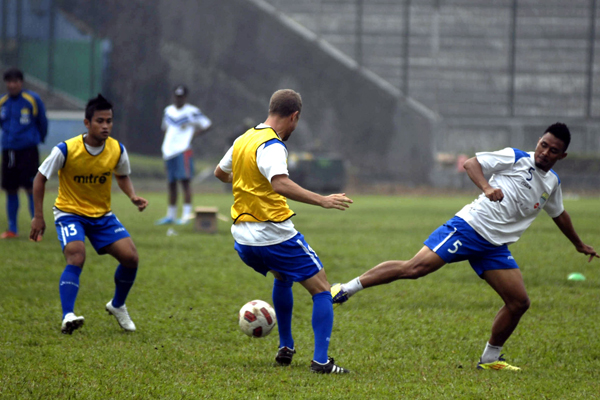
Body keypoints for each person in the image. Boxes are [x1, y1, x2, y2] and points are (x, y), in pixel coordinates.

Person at [332, 122, 598, 371]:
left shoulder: (552, 183)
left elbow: (559, 214)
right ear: (538, 142)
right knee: (414, 268)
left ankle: (490, 358)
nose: (545, 153)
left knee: (518, 303)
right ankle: (345, 289)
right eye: (543, 145)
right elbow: (472, 164)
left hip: (494, 246)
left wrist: (578, 244)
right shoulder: (516, 157)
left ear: (561, 156)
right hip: (469, 228)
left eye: (553, 151)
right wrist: (486, 187)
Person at [214, 89, 353, 374]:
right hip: (272, 234)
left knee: (282, 275)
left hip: (242, 238)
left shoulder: (244, 139)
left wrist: (247, 181)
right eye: (296, 122)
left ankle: (286, 346)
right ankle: (321, 362)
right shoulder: (273, 145)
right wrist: (322, 199)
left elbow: (220, 172)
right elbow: (280, 184)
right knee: (322, 289)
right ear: (294, 116)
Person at [30, 94, 148, 335]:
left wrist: (132, 196)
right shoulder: (66, 149)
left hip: (102, 215)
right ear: (87, 123)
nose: (105, 126)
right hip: (69, 212)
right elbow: (40, 178)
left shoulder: (116, 149)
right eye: (100, 121)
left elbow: (122, 175)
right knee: (76, 255)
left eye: (109, 121)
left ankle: (117, 305)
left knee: (131, 258)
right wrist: (38, 216)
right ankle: (68, 315)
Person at [1, 68, 48, 239]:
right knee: (11, 190)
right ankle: (12, 229)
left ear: (21, 82)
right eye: (9, 81)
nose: (12, 85)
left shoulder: (32, 100)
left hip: (28, 151)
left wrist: (36, 139)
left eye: (15, 81)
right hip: (9, 151)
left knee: (31, 188)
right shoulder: (3, 102)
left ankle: (36, 229)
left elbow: (43, 122)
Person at [155, 85, 212, 225]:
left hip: (183, 150)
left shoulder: (192, 112)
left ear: (185, 97)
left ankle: (186, 216)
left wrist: (193, 135)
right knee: (171, 184)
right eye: (176, 96)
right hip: (169, 151)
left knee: (185, 183)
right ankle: (171, 215)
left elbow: (207, 124)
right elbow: (165, 129)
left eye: (181, 97)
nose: (178, 99)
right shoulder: (168, 111)